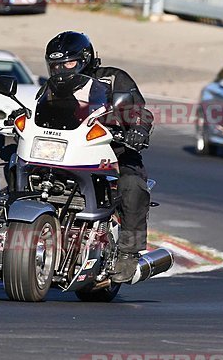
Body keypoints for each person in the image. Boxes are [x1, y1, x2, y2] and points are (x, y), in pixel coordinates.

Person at [43, 31, 154, 282]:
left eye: (68, 63)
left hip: (113, 149)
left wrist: (137, 129)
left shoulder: (114, 79)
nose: (61, 70)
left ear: (85, 59)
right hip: (69, 151)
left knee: (132, 184)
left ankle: (129, 251)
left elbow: (139, 110)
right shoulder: (51, 87)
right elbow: (38, 110)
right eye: (56, 65)